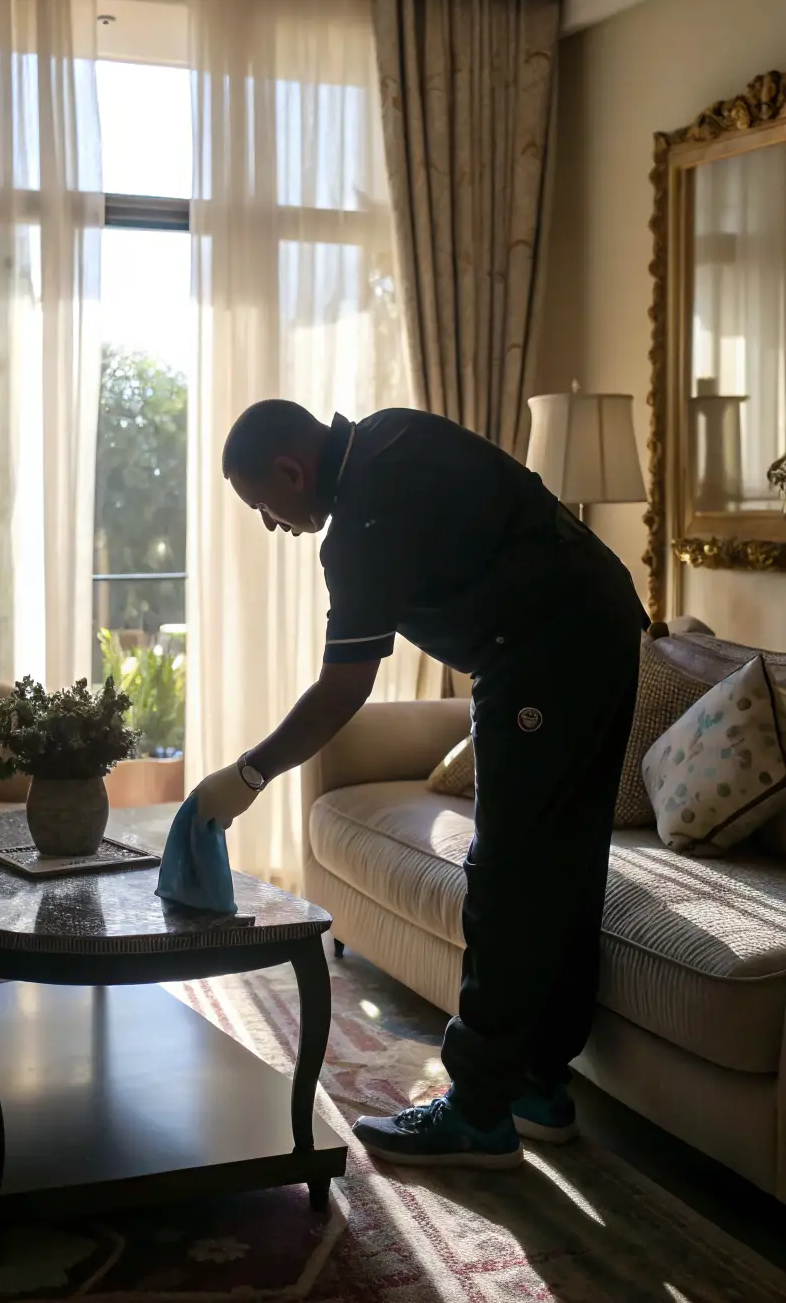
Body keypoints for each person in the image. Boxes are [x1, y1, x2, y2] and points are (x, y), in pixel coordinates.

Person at [193, 399, 646, 1170]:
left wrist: (248, 772)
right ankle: (538, 1083)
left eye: (265, 505)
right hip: (600, 619)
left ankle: (476, 1111)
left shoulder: (362, 526)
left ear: (292, 470)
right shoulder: (391, 431)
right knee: (567, 858)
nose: (272, 523)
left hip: (543, 653)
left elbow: (343, 689)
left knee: (505, 872)